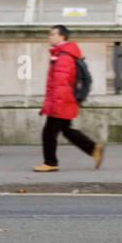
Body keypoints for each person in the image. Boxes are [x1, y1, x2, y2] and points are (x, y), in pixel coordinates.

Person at [33, 25, 104, 172]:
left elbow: (61, 84)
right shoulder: (60, 54)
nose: (50, 37)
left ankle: (51, 162)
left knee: (48, 133)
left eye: (53, 35)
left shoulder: (64, 56)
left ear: (61, 37)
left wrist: (56, 107)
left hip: (61, 102)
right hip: (64, 101)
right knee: (66, 130)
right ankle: (94, 149)